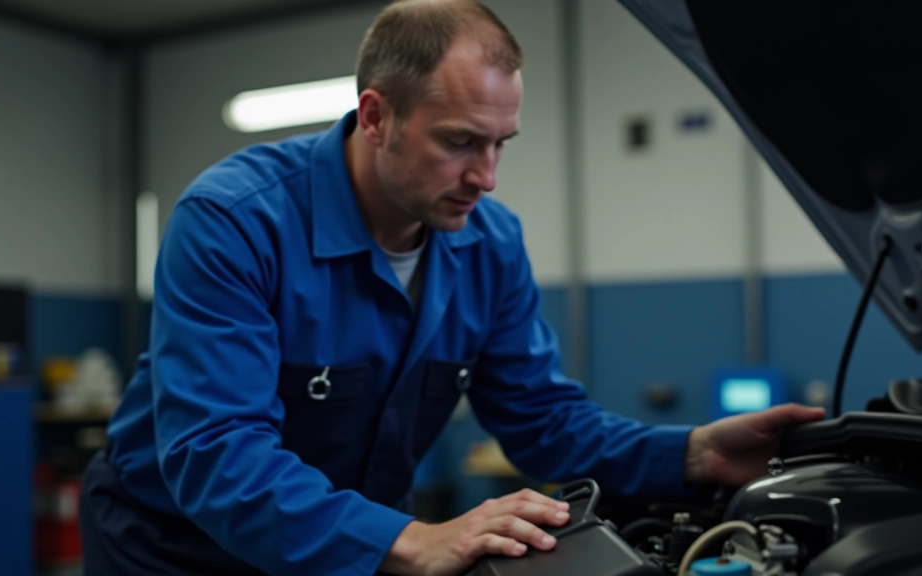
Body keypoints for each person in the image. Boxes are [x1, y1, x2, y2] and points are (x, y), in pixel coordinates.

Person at [78, 1, 825, 575]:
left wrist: (692, 453)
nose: (486, 177)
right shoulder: (234, 221)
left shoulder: (489, 243)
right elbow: (217, 451)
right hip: (176, 546)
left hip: (357, 540)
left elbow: (543, 420)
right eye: (460, 141)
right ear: (377, 116)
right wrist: (409, 540)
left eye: (500, 144)